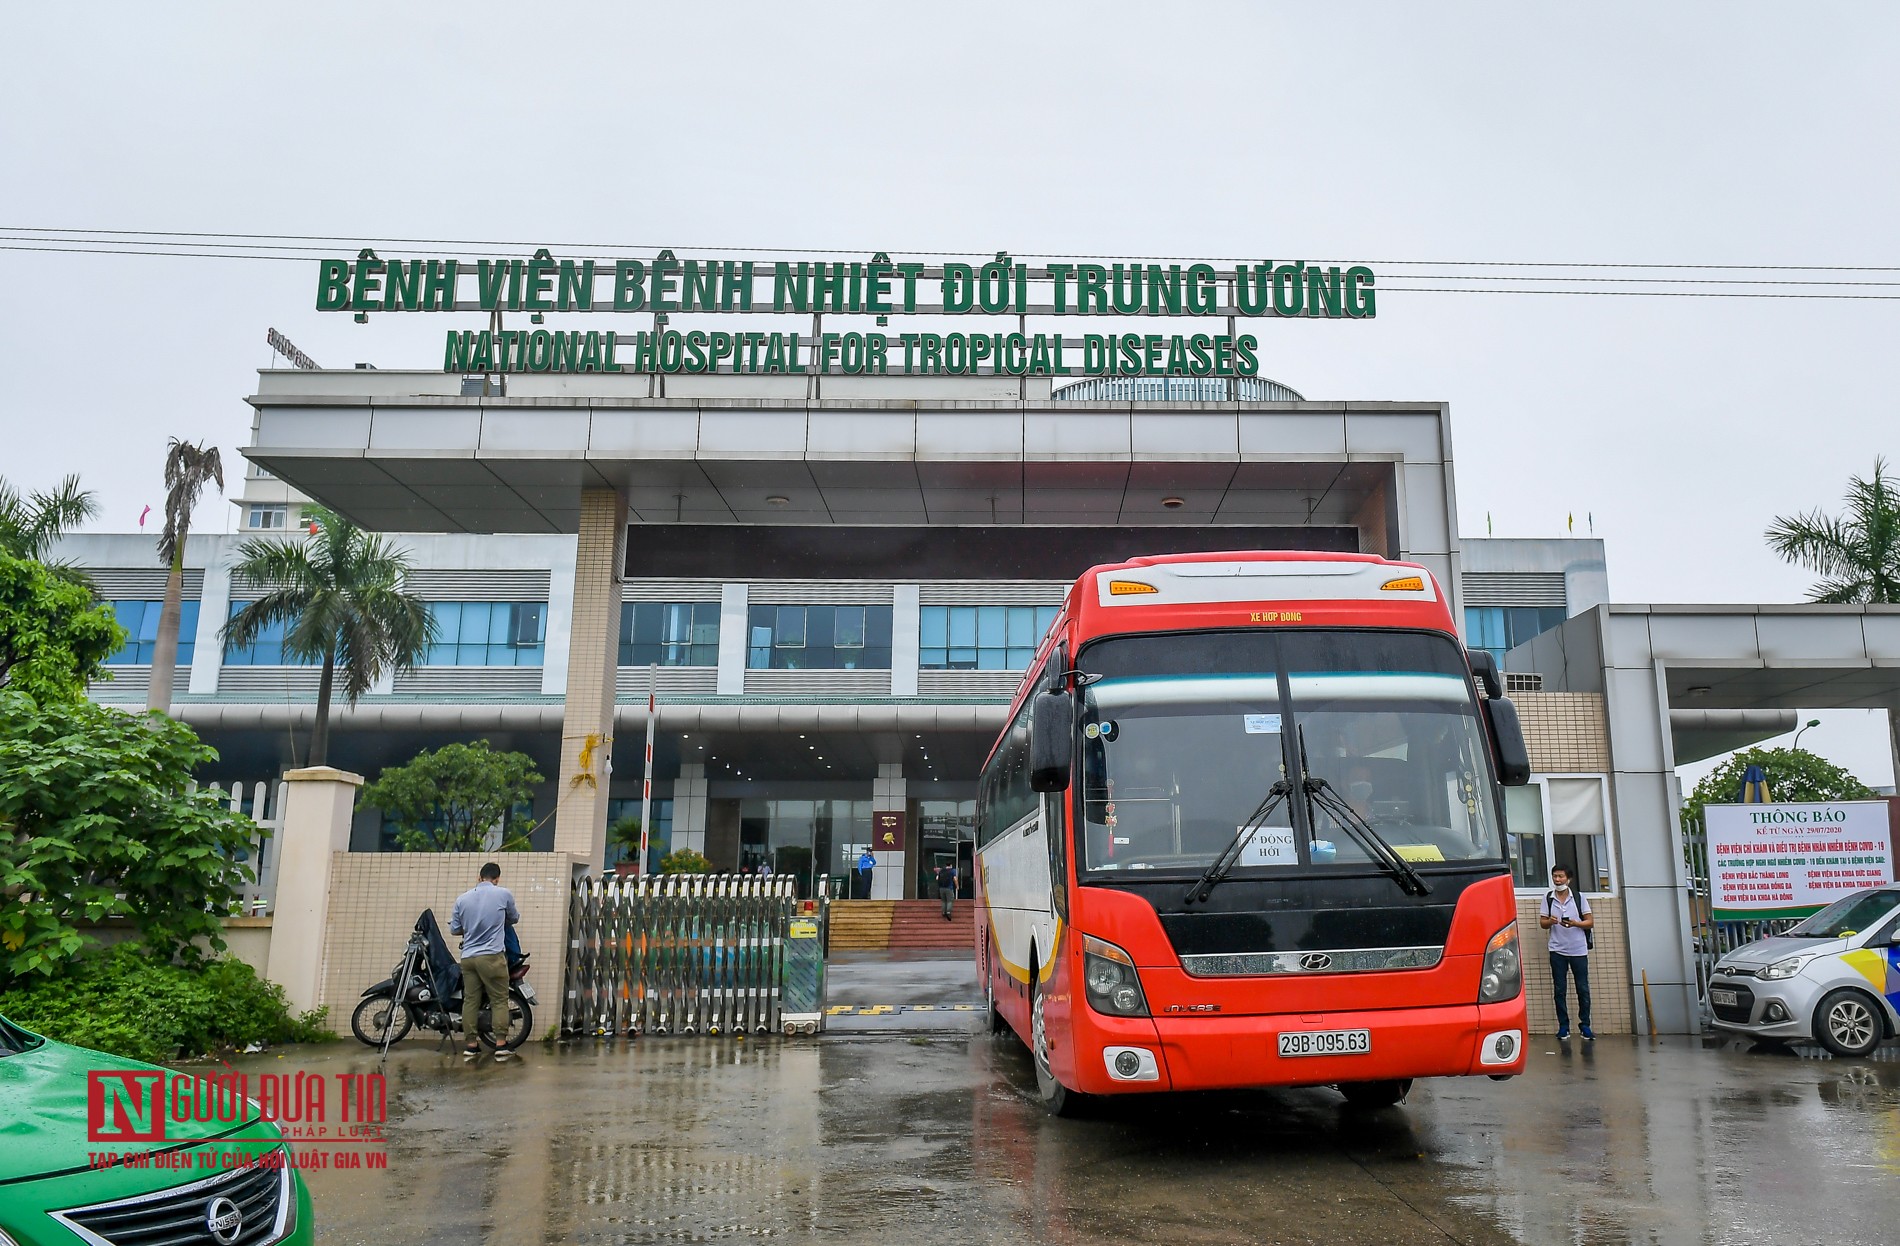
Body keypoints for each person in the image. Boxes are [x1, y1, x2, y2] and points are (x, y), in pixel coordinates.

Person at [449, 861, 520, 1062]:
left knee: (471, 999)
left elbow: (454, 929)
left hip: (468, 957)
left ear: (478, 877)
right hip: (492, 956)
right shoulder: (503, 894)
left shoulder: (462, 899)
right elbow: (514, 918)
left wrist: (471, 928)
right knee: (498, 999)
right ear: (497, 879)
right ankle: (500, 1044)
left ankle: (471, 1046)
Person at [1539, 865, 1594, 1040]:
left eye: (1561, 876)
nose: (1557, 880)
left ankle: (1585, 1025)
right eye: (1555, 876)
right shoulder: (1548, 898)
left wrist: (1575, 923)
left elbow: (1590, 922)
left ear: (1568, 879)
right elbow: (1542, 923)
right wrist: (1551, 921)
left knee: (1582, 989)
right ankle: (1564, 1027)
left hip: (1578, 949)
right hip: (1557, 950)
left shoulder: (1578, 898)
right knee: (1559, 990)